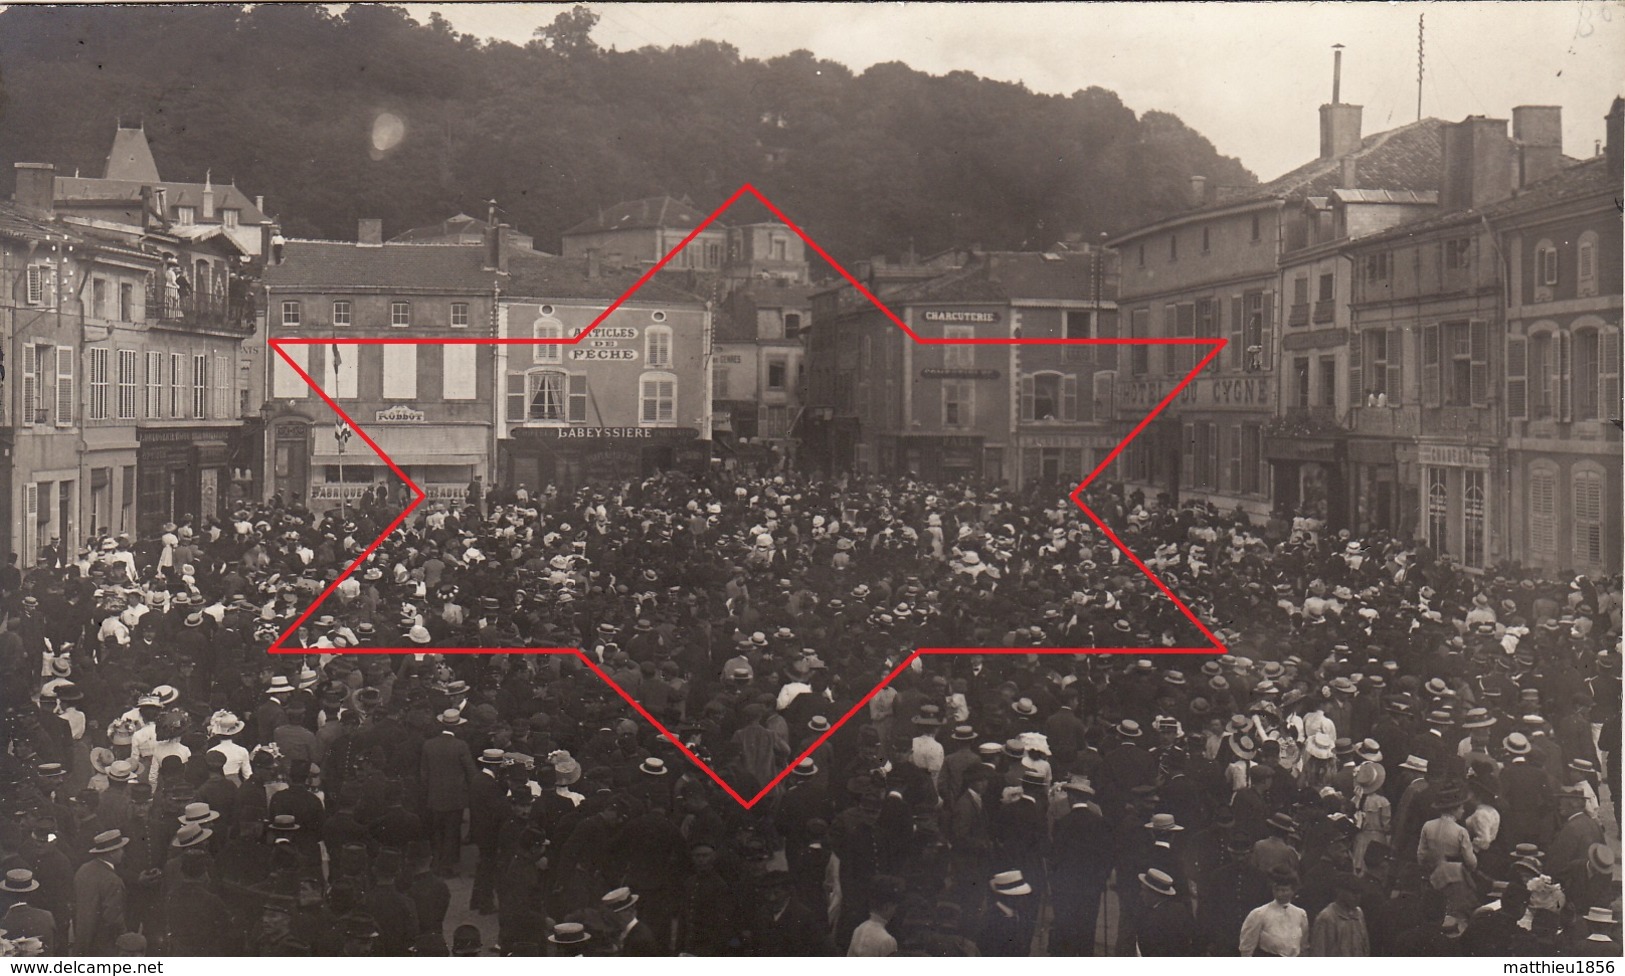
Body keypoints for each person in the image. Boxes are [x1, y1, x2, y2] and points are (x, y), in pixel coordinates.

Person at [1239, 867, 1310, 957]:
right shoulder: (1259, 914)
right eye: (1276, 890)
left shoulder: (1300, 914)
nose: (1279, 894)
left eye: (1284, 890)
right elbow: (1247, 948)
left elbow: (1303, 946)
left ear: (1293, 891)